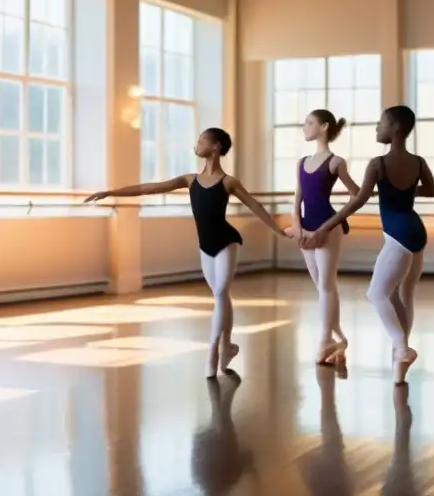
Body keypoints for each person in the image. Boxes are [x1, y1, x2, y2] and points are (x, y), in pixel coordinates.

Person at [84, 127, 288, 379]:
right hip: (206, 246)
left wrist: (278, 231)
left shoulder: (228, 182)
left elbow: (254, 205)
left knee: (222, 291)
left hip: (227, 241)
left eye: (201, 140)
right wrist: (111, 192)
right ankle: (228, 346)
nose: (196, 144)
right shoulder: (189, 180)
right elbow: (150, 188)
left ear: (215, 147)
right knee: (220, 296)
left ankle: (212, 351)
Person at [301, 106, 434, 385]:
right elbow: (433, 191)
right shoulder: (418, 162)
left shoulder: (378, 164)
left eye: (381, 124)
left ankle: (402, 348)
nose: (377, 128)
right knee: (404, 295)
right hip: (417, 231)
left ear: (396, 129)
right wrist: (405, 189)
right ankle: (400, 360)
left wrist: (325, 227)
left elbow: (357, 201)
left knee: (376, 294)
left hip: (398, 235)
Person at [288, 109, 360, 366]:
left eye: (309, 123)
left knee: (327, 285)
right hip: (306, 228)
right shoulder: (302, 162)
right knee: (322, 287)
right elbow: (299, 196)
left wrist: (335, 221)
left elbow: (357, 195)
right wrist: (296, 224)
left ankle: (325, 339)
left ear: (324, 127)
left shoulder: (335, 162)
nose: (305, 127)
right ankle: (337, 336)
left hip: (329, 228)